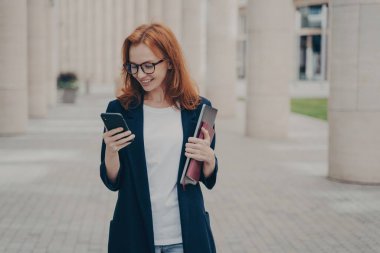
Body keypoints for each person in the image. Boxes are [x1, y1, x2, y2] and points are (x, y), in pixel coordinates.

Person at [100, 23, 218, 253]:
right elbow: (113, 181)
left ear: (170, 61)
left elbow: (205, 177)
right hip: (134, 233)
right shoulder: (119, 109)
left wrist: (210, 160)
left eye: (148, 65)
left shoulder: (198, 109)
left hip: (185, 235)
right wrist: (111, 152)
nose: (140, 75)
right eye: (133, 67)